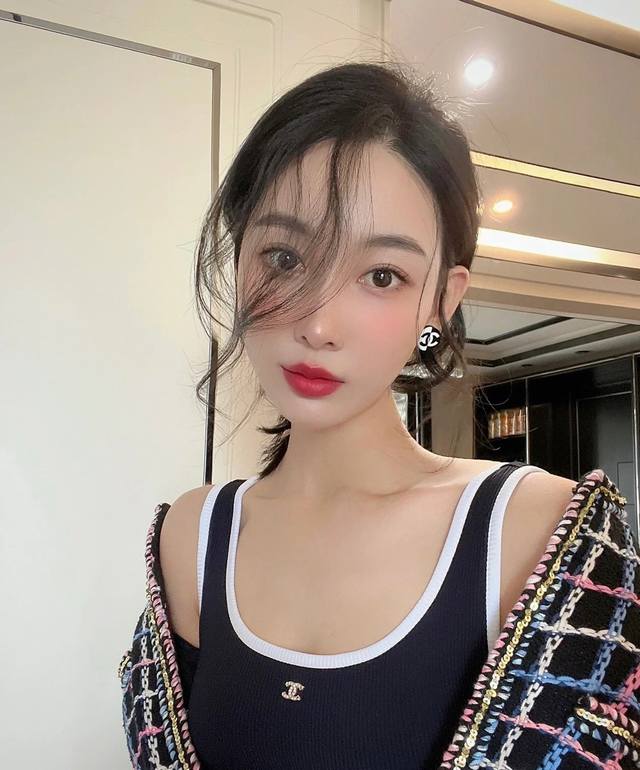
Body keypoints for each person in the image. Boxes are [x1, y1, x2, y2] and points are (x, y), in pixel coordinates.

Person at [119, 60, 637, 769]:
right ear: (238, 258)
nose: (318, 324)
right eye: (284, 257)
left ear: (441, 301)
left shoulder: (535, 530)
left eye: (382, 275)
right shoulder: (193, 535)